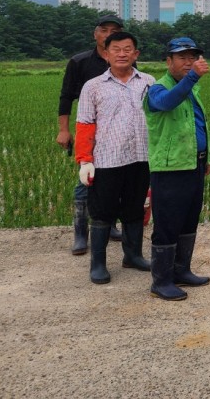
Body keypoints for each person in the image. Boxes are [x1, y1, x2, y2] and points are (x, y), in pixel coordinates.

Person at [74, 31, 154, 284]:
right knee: (101, 213)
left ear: (136, 54)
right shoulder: (94, 86)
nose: (122, 54)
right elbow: (85, 123)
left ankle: (133, 255)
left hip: (141, 158)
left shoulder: (149, 82)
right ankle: (97, 263)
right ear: (106, 54)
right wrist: (85, 160)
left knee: (134, 209)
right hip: (107, 160)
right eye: (116, 49)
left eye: (127, 49)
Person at [144, 37, 210, 301]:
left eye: (192, 57)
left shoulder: (191, 90)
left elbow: (197, 125)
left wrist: (205, 156)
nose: (188, 62)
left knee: (188, 219)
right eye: (182, 57)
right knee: (167, 223)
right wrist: (192, 78)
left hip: (193, 163)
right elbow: (168, 103)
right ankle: (161, 280)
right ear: (169, 61)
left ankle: (182, 270)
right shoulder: (157, 89)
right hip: (170, 168)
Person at [57, 14, 125, 254]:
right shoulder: (80, 62)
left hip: (116, 130)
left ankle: (112, 225)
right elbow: (66, 97)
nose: (109, 35)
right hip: (89, 130)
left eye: (114, 31)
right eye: (104, 30)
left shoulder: (125, 60)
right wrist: (64, 130)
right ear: (95, 34)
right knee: (85, 181)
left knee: (115, 177)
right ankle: (80, 234)